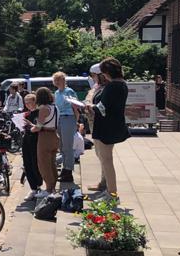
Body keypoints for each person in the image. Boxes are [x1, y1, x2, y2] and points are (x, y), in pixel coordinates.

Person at [88, 58, 129, 198]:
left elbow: (103, 108)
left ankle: (112, 193)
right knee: (106, 159)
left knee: (106, 160)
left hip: (107, 126)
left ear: (106, 72)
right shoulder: (122, 84)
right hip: (111, 124)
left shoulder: (113, 86)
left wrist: (89, 107)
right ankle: (109, 190)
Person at [52, 71, 80, 184]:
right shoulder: (57, 93)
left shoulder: (69, 91)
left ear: (64, 80)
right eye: (56, 80)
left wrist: (76, 121)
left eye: (59, 79)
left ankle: (68, 171)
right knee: (62, 146)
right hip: (59, 119)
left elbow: (75, 107)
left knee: (68, 146)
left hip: (68, 118)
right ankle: (65, 169)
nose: (57, 82)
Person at [33, 87, 60, 194]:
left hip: (45, 137)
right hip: (54, 135)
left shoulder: (43, 108)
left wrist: (31, 128)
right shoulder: (55, 107)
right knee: (52, 163)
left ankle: (49, 188)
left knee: (43, 164)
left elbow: (38, 127)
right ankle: (53, 186)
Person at [20, 93, 43, 200]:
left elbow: (39, 127)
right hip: (27, 139)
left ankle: (39, 185)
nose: (27, 104)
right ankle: (33, 188)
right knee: (27, 164)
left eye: (29, 102)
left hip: (36, 140)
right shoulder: (26, 114)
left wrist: (30, 124)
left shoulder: (39, 113)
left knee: (35, 163)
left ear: (35, 102)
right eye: (26, 102)